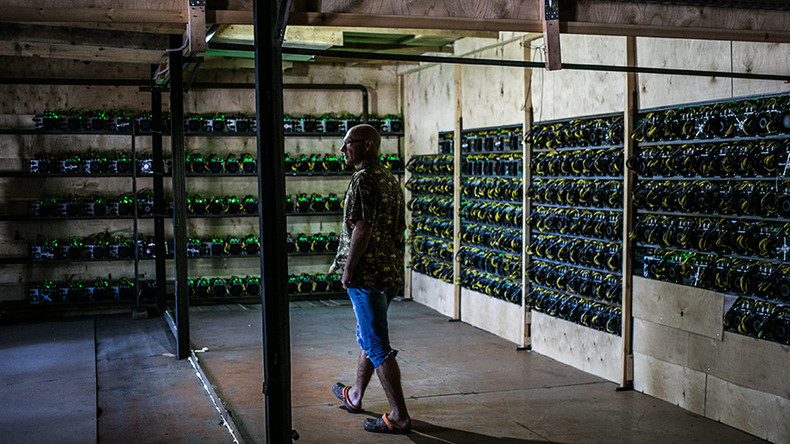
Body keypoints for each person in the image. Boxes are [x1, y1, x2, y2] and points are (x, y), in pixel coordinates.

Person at [328, 123, 411, 434]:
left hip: (367, 273)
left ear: (368, 145)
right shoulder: (390, 179)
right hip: (387, 270)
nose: (343, 149)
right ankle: (355, 395)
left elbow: (362, 228)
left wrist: (349, 270)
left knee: (376, 342)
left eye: (348, 143)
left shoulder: (364, 180)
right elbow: (398, 229)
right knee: (368, 333)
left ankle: (400, 416)